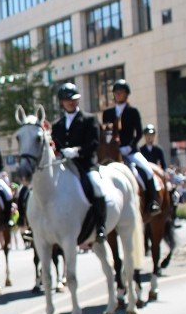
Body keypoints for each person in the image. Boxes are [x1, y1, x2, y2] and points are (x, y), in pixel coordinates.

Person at [50, 82, 107, 243]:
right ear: (62, 102)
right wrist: (59, 153)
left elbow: (95, 143)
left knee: (97, 187)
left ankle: (100, 226)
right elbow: (54, 146)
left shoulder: (89, 119)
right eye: (68, 100)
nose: (71, 103)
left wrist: (77, 151)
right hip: (64, 166)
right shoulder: (57, 125)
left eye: (74, 99)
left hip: (85, 164)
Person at [101, 80, 160, 215]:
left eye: (120, 92)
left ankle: (153, 202)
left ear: (126, 94)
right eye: (116, 93)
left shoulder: (132, 111)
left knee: (148, 171)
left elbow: (138, 132)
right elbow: (105, 132)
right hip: (111, 151)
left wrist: (130, 146)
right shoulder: (108, 113)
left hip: (129, 150)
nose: (118, 95)